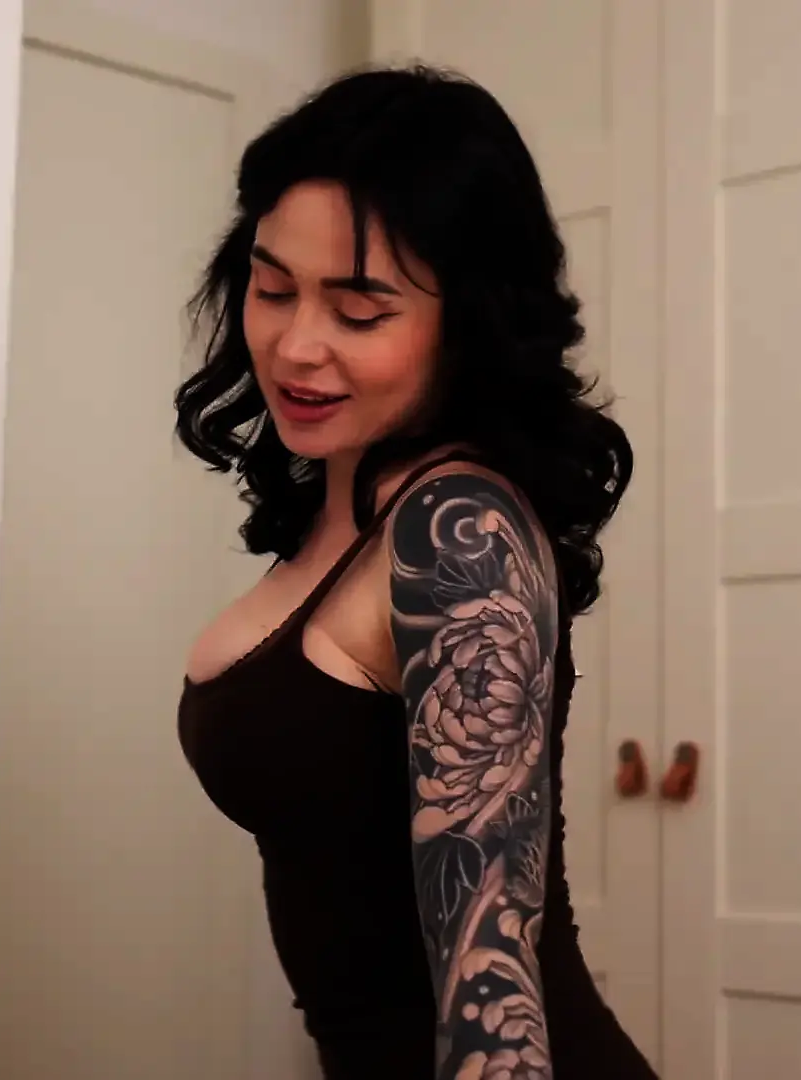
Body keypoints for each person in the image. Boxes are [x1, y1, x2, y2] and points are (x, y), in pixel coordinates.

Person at [174, 64, 657, 1080]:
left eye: (359, 311)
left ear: (469, 323)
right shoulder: (349, 502)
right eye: (272, 288)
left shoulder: (458, 534)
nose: (296, 345)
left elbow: (494, 1012)